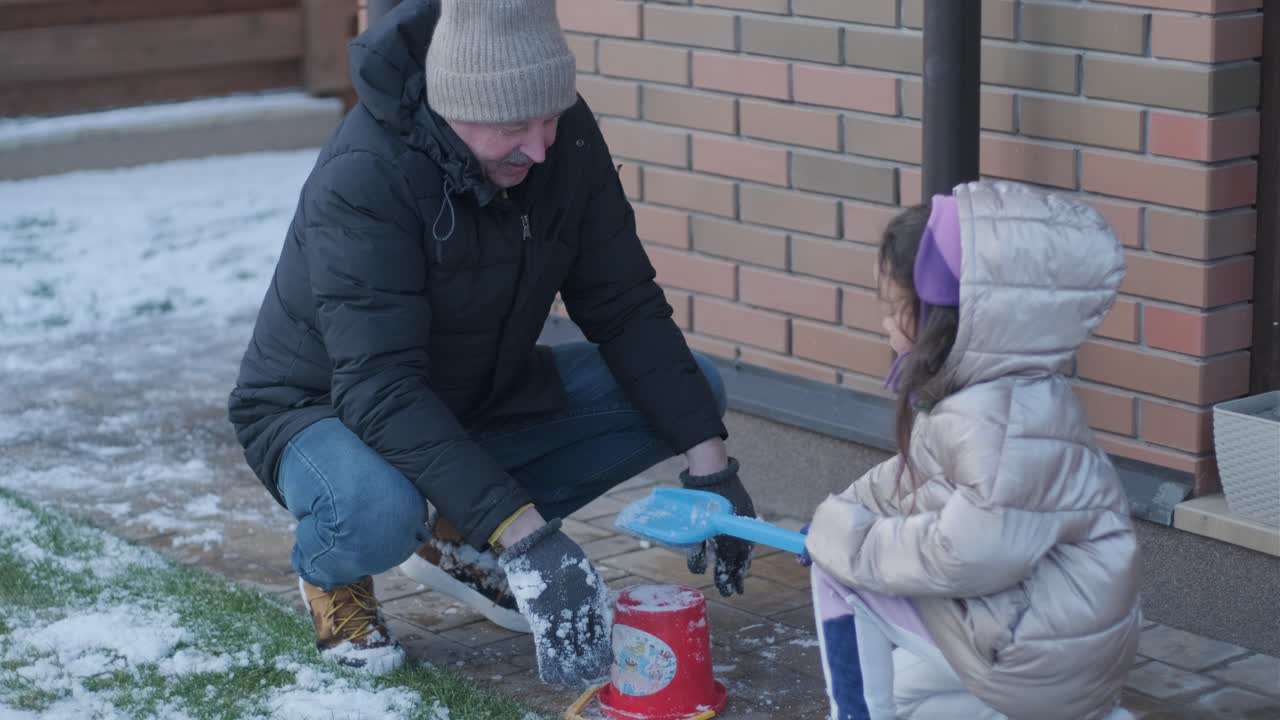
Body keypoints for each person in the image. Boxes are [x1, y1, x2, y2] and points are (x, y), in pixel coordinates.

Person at [226, 0, 756, 686]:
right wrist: (530, 537)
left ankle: (459, 537)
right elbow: (377, 389)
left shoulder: (561, 139)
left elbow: (624, 305)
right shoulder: (366, 173)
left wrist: (713, 469)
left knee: (694, 393)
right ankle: (337, 572)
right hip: (322, 410)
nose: (538, 148)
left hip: (469, 390)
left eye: (550, 119)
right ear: (452, 105)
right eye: (513, 127)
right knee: (378, 511)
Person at [802, 181, 1142, 720]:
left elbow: (972, 552)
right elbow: (916, 478)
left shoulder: (993, 416)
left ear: (946, 315)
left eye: (895, 309)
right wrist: (846, 507)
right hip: (1065, 639)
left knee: (837, 572)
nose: (886, 325)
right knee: (911, 689)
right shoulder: (1004, 393)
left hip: (1038, 653)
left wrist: (851, 540)